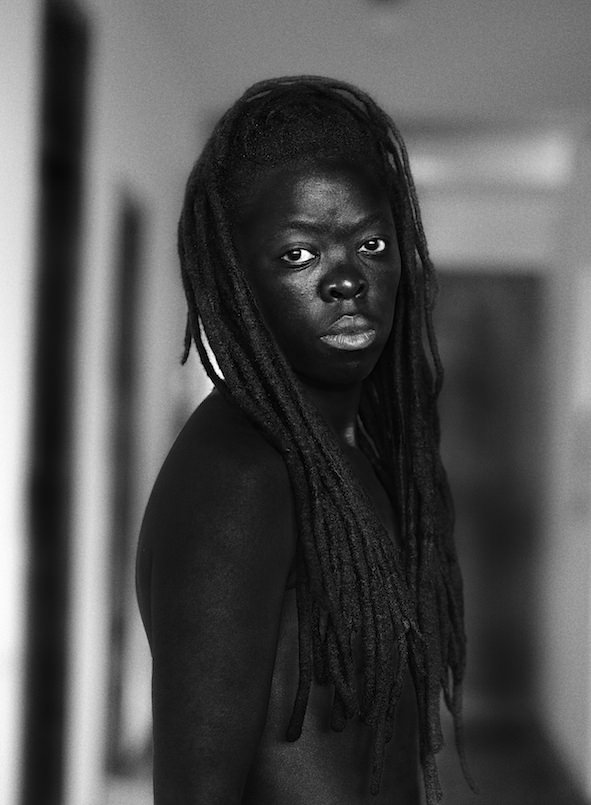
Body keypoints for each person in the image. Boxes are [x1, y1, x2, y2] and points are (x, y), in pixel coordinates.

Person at [136, 75, 472, 805]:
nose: (346, 280)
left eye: (371, 243)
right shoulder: (240, 472)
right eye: (299, 255)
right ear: (235, 281)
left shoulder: (337, 457)